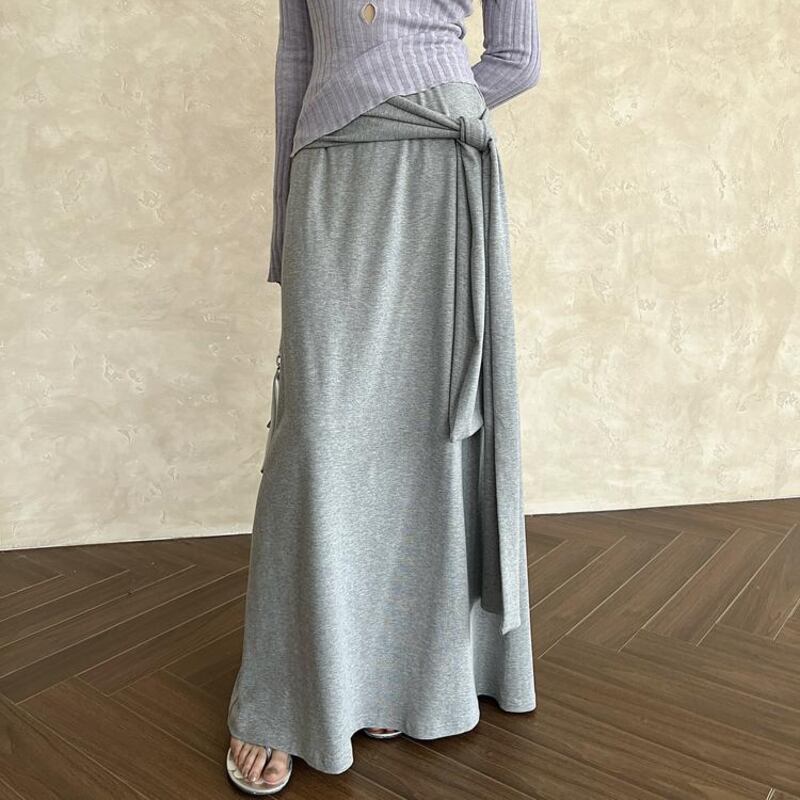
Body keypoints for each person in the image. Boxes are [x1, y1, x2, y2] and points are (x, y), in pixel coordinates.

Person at [226, 0, 541, 793]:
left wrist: (430, 102)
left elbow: (519, 58)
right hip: (331, 165)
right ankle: (284, 698)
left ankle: (400, 671)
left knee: (422, 435)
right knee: (317, 434)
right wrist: (284, 230)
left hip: (439, 165)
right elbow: (296, 67)